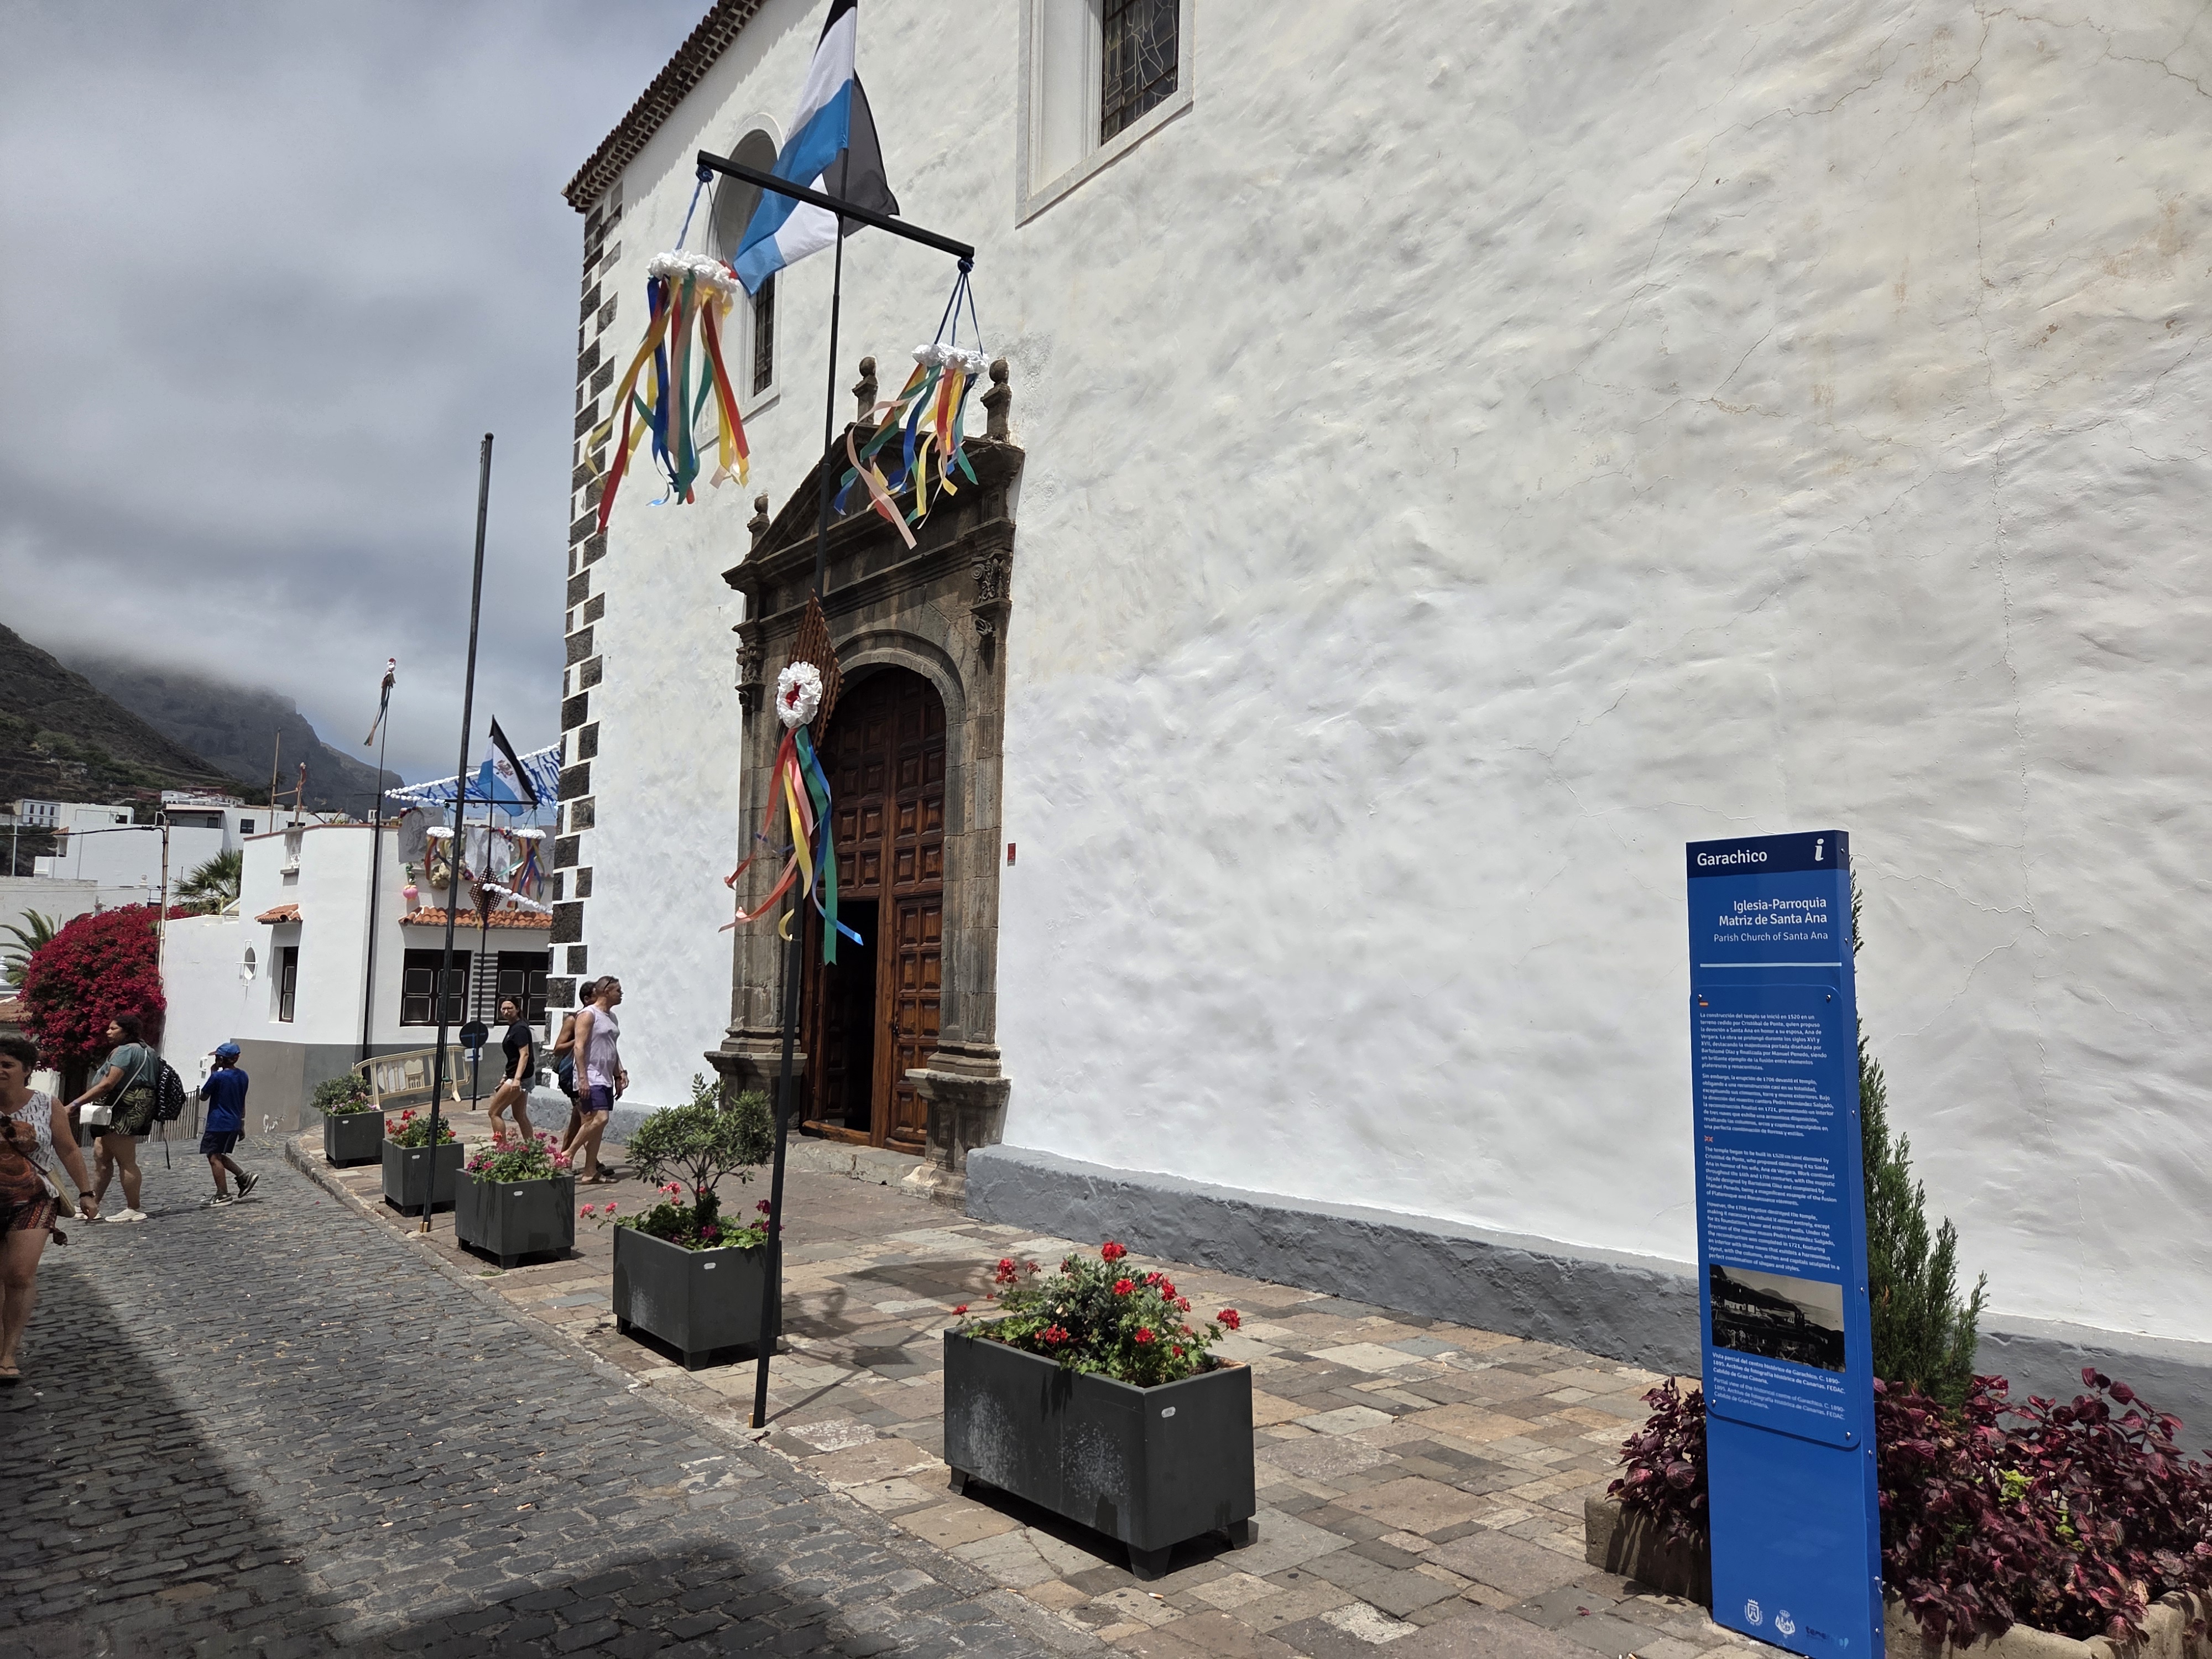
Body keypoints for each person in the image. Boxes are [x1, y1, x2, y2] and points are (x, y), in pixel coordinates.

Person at [0, 1032, 100, 1383]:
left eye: (7, 1064)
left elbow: (68, 1149)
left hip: (34, 1199)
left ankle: (8, 1353)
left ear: (27, 1070)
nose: (0, 1070)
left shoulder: (47, 1105)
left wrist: (86, 1192)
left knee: (19, 1275)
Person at [67, 1013, 158, 1222]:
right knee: (101, 1156)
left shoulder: (126, 1051)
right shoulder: (148, 1051)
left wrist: (74, 1105)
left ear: (127, 1031)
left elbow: (108, 1083)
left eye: (113, 1029)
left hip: (122, 1109)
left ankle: (133, 1208)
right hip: (127, 1106)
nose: (108, 1032)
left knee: (126, 1160)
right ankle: (93, 1204)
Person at [564, 977, 625, 1183]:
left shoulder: (612, 1017)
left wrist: (619, 1073)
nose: (621, 994)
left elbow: (612, 1048)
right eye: (618, 990)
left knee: (597, 1126)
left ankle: (590, 1171)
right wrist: (583, 1079)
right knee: (601, 1119)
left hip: (606, 1077)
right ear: (606, 992)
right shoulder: (588, 1015)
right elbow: (579, 1047)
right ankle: (567, 1154)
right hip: (591, 1076)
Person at [196, 1044, 258, 1206]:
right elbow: (242, 1101)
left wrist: (213, 1073)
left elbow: (203, 1096)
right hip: (234, 1122)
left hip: (218, 1123)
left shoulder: (218, 1077)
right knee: (218, 1155)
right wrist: (242, 1124)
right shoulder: (243, 1076)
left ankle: (222, 1194)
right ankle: (243, 1177)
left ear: (221, 1059)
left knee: (213, 1157)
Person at [550, 979, 598, 1151]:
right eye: (597, 996)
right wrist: (579, 1039)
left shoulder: (598, 1019)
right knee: (588, 1119)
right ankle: (592, 1162)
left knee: (576, 1122)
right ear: (587, 999)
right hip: (574, 1076)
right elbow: (557, 1049)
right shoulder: (574, 1019)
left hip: (591, 1074)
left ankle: (562, 1157)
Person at [486, 998, 535, 1147]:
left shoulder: (520, 1029)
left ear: (517, 1009)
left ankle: (502, 1149)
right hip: (516, 1076)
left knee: (494, 1113)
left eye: (510, 1008)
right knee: (520, 1115)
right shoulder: (515, 1027)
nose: (506, 1012)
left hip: (519, 1078)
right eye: (504, 1009)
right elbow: (513, 1057)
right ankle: (532, 1149)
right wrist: (505, 1075)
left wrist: (517, 1079)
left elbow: (524, 1055)